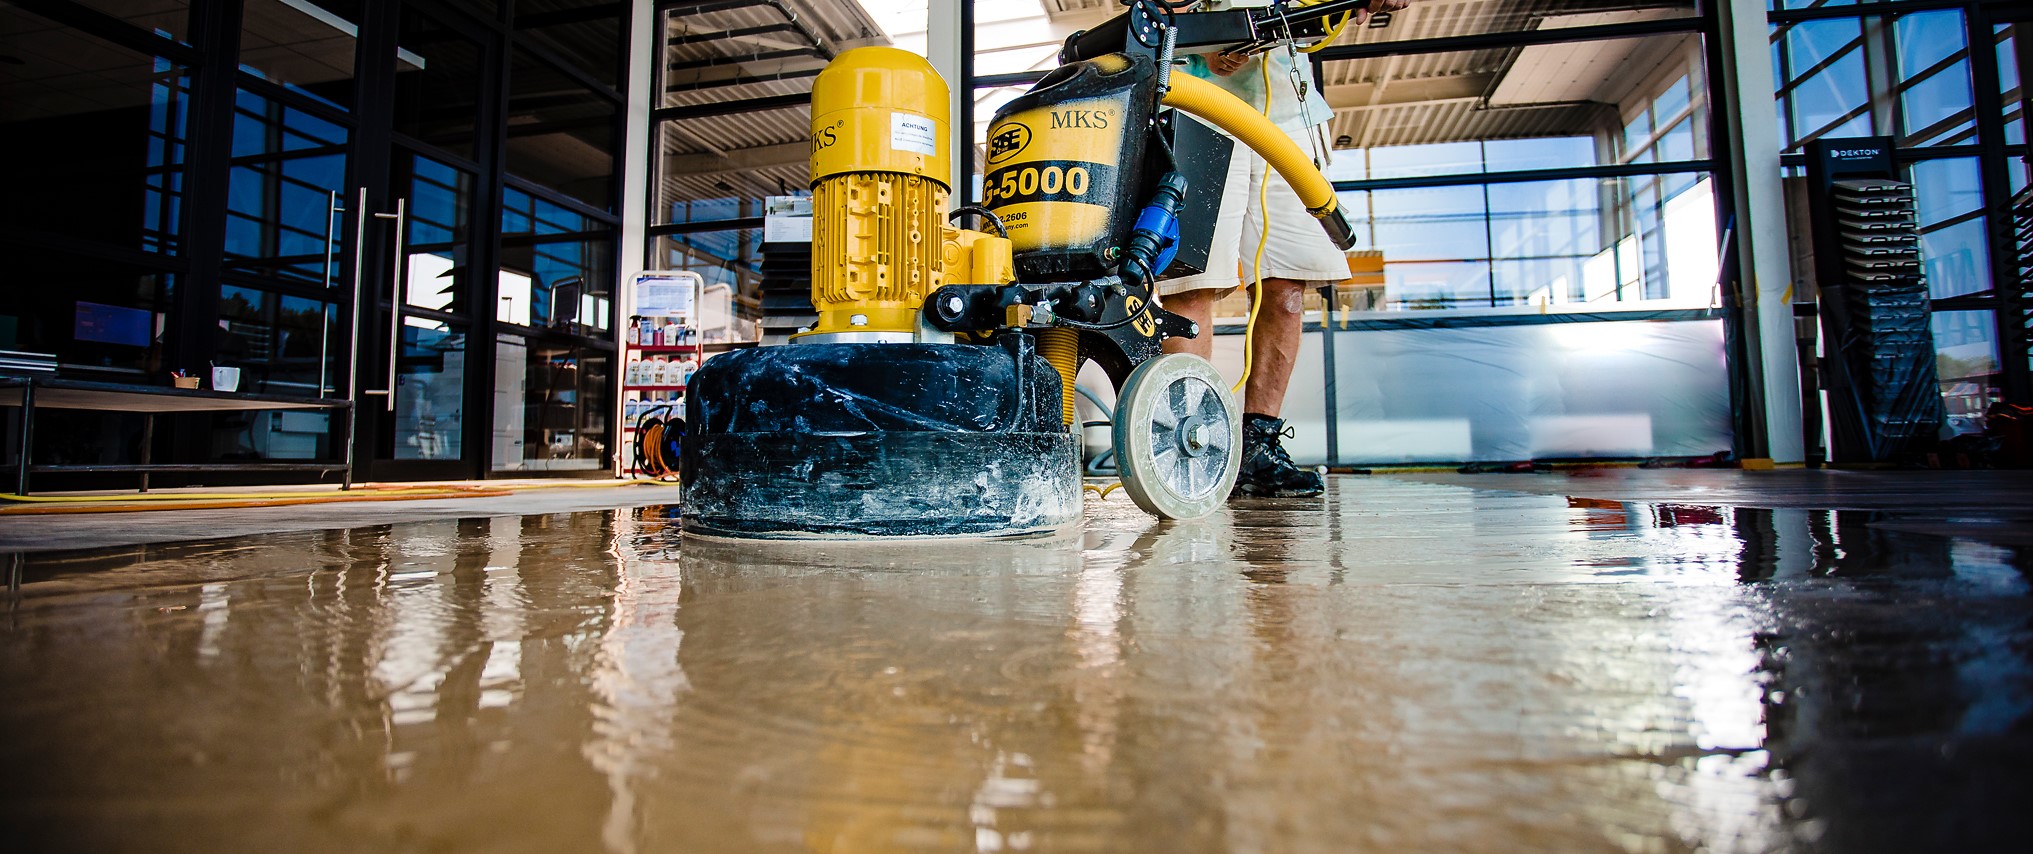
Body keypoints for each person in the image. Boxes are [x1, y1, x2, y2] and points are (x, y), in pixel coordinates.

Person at [1157, 0, 1408, 498]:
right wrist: (1206, 40)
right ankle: (1192, 442)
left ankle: (1257, 447)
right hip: (1197, 103)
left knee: (1287, 286)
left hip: (1289, 116)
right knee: (1191, 279)